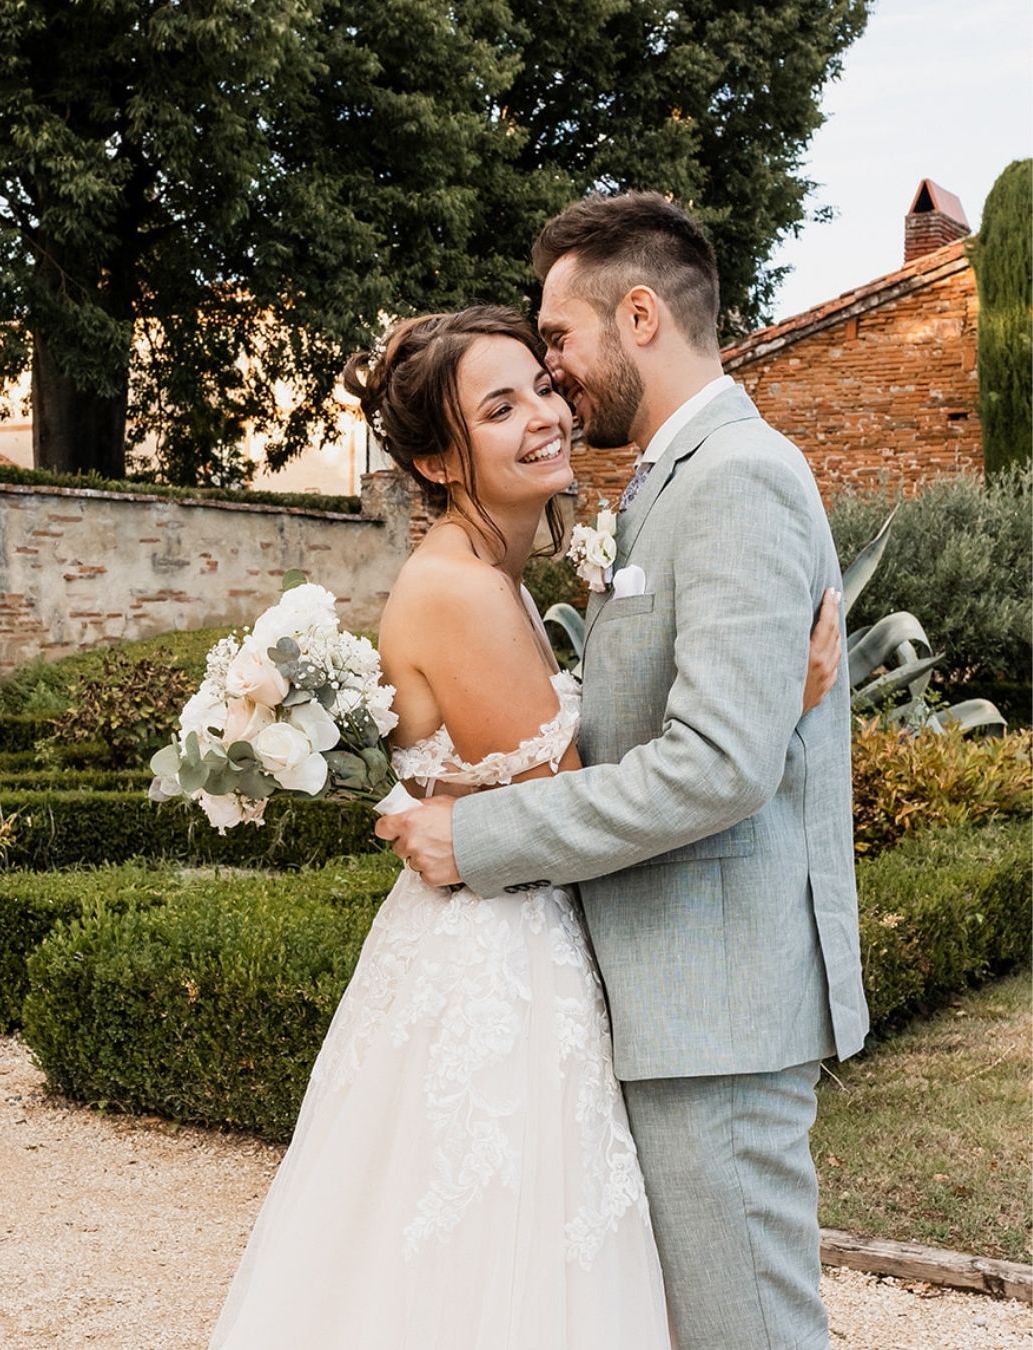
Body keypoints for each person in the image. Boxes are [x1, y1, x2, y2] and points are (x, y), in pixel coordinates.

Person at [209, 301, 842, 1349]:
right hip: (504, 961)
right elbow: (585, 784)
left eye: (541, 387)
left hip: (508, 934)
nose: (545, 414)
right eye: (499, 407)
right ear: (439, 462)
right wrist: (777, 699)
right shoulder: (463, 592)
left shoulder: (490, 575)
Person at [377, 193, 869, 1350]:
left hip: (717, 1008)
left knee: (749, 1330)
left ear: (638, 313)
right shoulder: (669, 475)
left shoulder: (736, 474)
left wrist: (479, 839)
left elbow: (713, 766)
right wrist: (772, 713)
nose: (554, 377)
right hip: (669, 997)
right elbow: (704, 735)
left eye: (556, 341)